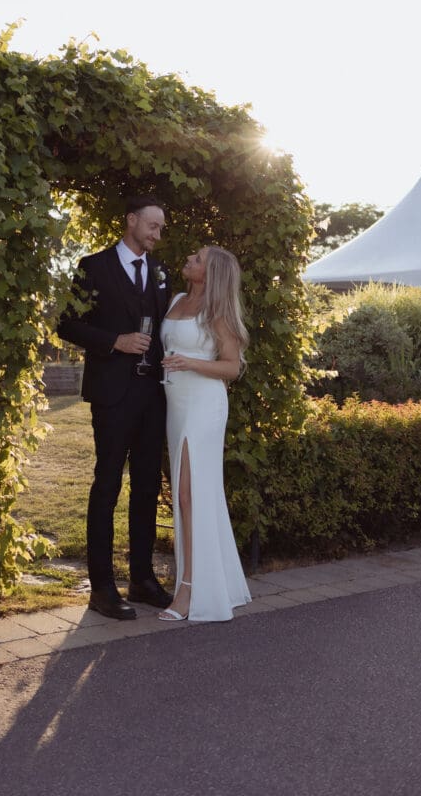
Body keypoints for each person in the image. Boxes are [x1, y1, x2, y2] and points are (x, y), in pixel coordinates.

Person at [57, 196, 173, 620]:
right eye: (153, 226)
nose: (158, 234)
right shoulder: (94, 266)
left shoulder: (160, 274)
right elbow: (66, 324)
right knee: (107, 486)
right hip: (112, 394)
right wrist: (114, 341)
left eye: (161, 228)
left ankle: (141, 579)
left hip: (152, 394)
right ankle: (102, 588)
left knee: (145, 486)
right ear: (131, 221)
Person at [158, 245, 252, 622]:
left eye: (196, 259)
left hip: (204, 404)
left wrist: (191, 363)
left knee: (188, 494)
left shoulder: (218, 313)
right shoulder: (177, 298)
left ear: (210, 274)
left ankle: (190, 590)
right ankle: (210, 578)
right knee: (184, 493)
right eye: (192, 255)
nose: (189, 260)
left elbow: (231, 368)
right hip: (175, 404)